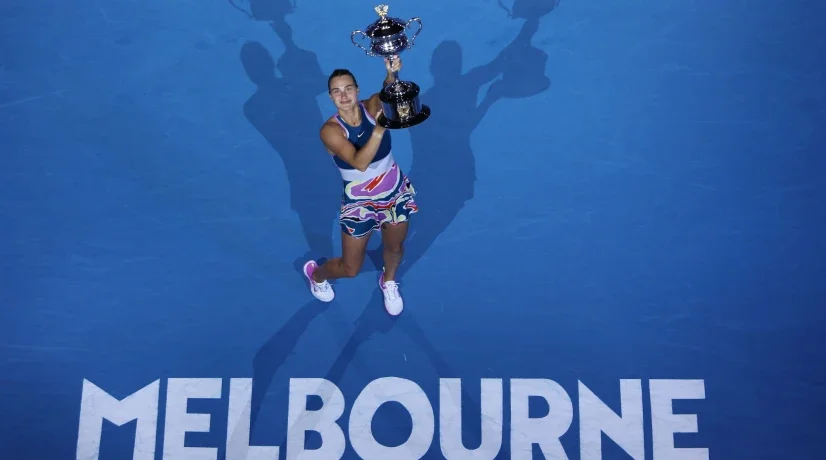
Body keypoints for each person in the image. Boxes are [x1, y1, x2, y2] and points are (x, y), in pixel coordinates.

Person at [301, 57, 418, 316]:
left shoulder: (371, 106)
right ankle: (317, 275)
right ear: (330, 97)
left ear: (357, 90)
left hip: (394, 192)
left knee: (395, 247)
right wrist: (380, 128)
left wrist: (392, 74)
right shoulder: (330, 131)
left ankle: (388, 281)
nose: (343, 95)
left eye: (348, 89)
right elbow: (359, 162)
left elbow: (388, 92)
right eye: (336, 91)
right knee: (350, 269)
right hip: (359, 204)